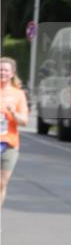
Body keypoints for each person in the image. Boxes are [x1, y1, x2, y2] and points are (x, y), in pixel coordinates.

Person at [0, 58, 29, 207]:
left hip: (9, 144)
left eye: (5, 70)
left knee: (2, 183)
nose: (2, 73)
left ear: (12, 73)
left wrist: (13, 112)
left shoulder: (18, 94)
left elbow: (24, 121)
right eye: (0, 69)